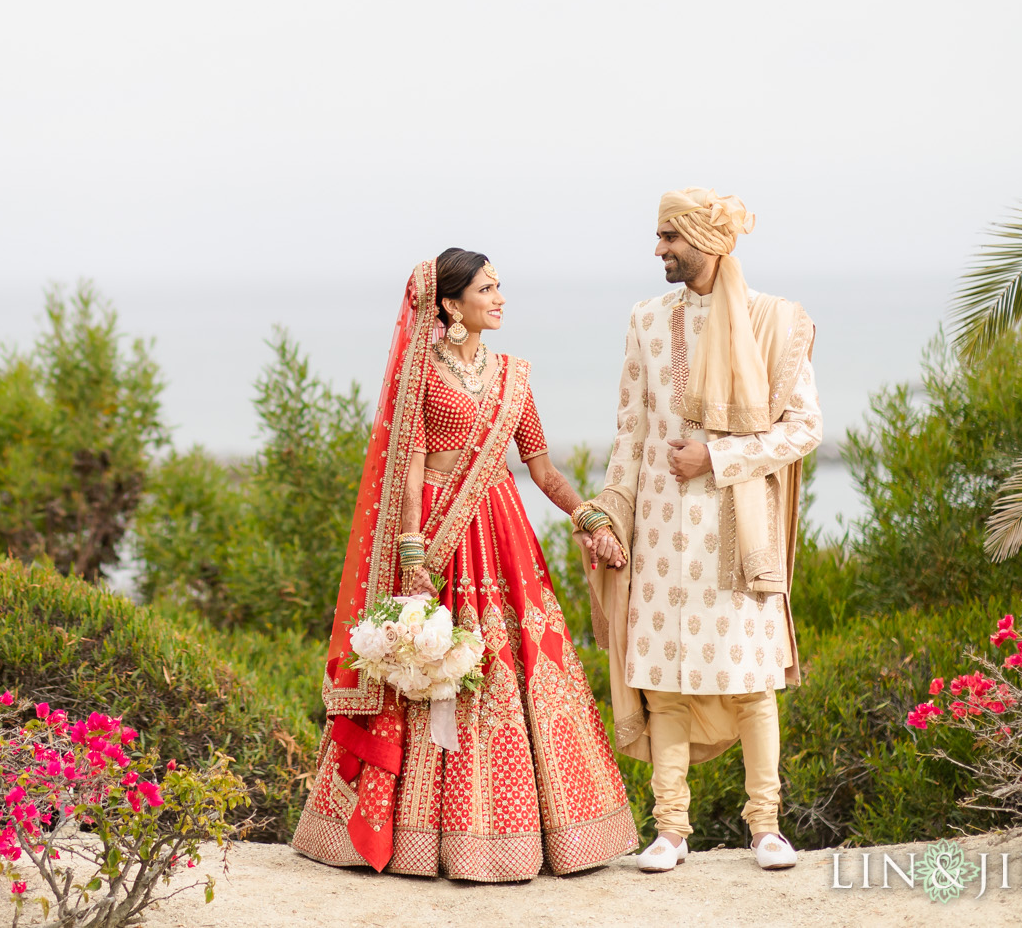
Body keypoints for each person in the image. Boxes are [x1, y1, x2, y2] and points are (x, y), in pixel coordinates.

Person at [291, 250, 639, 882]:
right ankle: (418, 838)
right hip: (435, 533)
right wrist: (413, 552)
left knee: (513, 667)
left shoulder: (513, 374)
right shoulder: (420, 372)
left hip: (501, 531)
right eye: (487, 288)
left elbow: (540, 467)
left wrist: (585, 514)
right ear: (451, 304)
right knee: (424, 667)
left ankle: (516, 835)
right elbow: (411, 467)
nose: (500, 298)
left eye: (500, 286)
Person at [575, 188, 820, 873]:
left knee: (751, 682)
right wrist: (610, 514)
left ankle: (766, 827)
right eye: (658, 237)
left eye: (669, 237)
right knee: (664, 685)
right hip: (656, 535)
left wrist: (718, 455)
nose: (659, 250)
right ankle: (671, 830)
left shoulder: (775, 320)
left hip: (734, 533)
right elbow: (630, 431)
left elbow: (804, 428)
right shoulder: (646, 320)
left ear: (707, 243)